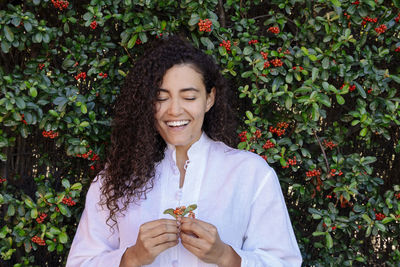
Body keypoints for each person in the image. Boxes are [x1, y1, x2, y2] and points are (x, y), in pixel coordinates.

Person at [66, 35, 302, 267]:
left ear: (209, 99)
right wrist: (132, 258)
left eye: (189, 97)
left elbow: (284, 262)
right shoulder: (116, 179)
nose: (174, 111)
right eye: (161, 98)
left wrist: (226, 257)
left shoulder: (251, 174)